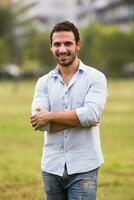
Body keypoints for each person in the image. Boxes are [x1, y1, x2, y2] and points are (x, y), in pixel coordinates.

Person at [30, 21, 108, 200]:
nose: (62, 49)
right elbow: (37, 122)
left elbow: (91, 114)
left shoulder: (95, 78)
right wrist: (79, 119)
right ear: (51, 47)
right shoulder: (43, 82)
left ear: (77, 45)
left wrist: (50, 117)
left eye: (68, 43)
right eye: (57, 44)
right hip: (51, 167)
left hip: (84, 168)